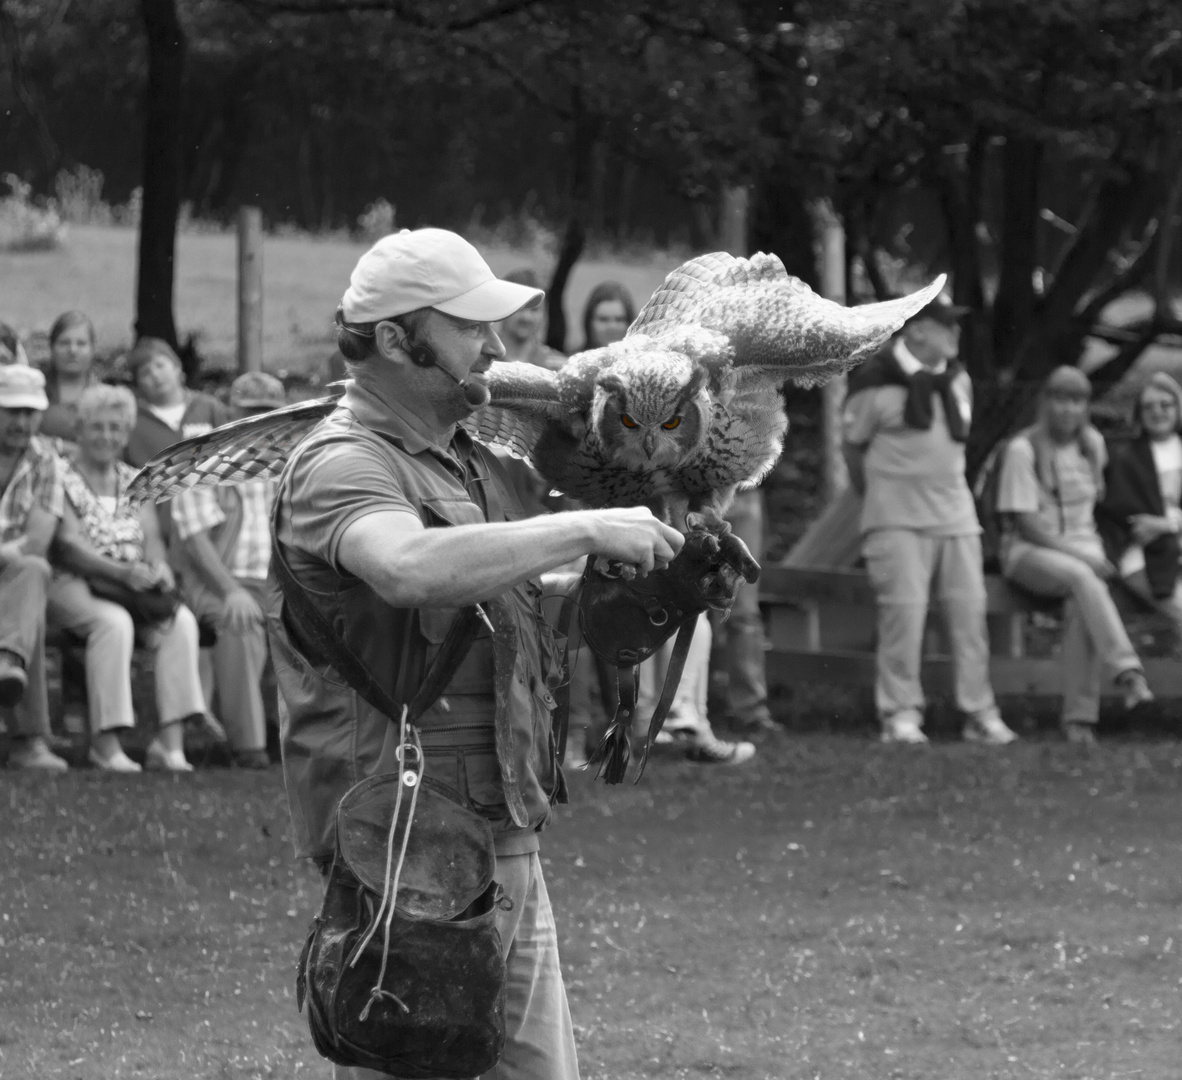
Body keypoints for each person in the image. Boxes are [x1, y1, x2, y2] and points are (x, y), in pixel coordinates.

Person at [266, 227, 684, 1080]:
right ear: (393, 339)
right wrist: (583, 526)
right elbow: (408, 569)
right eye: (469, 326)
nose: (496, 347)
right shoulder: (340, 463)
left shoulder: (471, 463)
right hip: (400, 846)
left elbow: (508, 610)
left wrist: (642, 591)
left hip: (503, 821)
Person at [842, 293, 1017, 746]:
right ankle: (899, 715)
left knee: (970, 620)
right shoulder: (874, 383)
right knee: (904, 620)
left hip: (958, 519)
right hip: (896, 522)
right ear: (916, 329)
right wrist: (882, 499)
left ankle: (980, 712)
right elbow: (853, 450)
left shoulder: (959, 381)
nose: (956, 332)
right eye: (946, 324)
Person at [49, 384, 210, 771]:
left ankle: (169, 745)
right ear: (80, 429)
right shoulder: (60, 476)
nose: (107, 436)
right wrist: (124, 573)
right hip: (73, 583)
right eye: (98, 427)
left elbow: (152, 539)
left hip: (130, 586)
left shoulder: (134, 479)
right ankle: (105, 746)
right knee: (113, 624)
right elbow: (68, 546)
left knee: (181, 621)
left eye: (116, 428)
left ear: (126, 433)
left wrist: (157, 568)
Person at [996, 366, 1153, 745]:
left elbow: (1099, 507)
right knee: (1085, 579)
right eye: (1060, 399)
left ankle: (1079, 722)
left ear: (1086, 406)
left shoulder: (1092, 444)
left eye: (1077, 401)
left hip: (1082, 556)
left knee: (1082, 603)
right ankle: (1128, 670)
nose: (1068, 409)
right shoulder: (1023, 449)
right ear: (1045, 402)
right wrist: (1082, 558)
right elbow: (1026, 524)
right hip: (1028, 553)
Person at [170, 372, 287, 770]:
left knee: (320, 630)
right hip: (217, 583)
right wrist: (231, 591)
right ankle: (249, 747)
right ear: (231, 413)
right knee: (238, 623)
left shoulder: (292, 466)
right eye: (250, 412)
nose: (259, 422)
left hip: (277, 585)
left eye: (268, 413)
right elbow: (197, 545)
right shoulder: (201, 465)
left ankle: (303, 741)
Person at [0, 364, 69, 771]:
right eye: (11, 411)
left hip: (14, 575)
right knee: (28, 610)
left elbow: (40, 539)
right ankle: (29, 742)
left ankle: (7, 662)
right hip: (11, 570)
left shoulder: (47, 460)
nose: (21, 421)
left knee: (34, 573)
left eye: (29, 412)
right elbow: (24, 543)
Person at [123, 337, 230, 468]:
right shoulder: (132, 420)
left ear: (177, 367)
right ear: (138, 383)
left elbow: (231, 452)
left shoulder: (208, 407)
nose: (155, 375)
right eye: (146, 372)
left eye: (160, 365)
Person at [39, 310, 100, 444]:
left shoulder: (103, 397)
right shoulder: (35, 390)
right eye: (64, 343)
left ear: (93, 349)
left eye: (81, 344)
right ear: (52, 347)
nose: (72, 350)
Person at [497, 268, 565, 370]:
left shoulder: (558, 366)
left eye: (534, 310)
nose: (526, 317)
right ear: (501, 308)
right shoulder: (479, 359)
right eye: (520, 308)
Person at [578, 280, 634, 352]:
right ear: (589, 323)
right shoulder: (572, 361)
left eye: (619, 320)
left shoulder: (644, 361)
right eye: (603, 320)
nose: (612, 327)